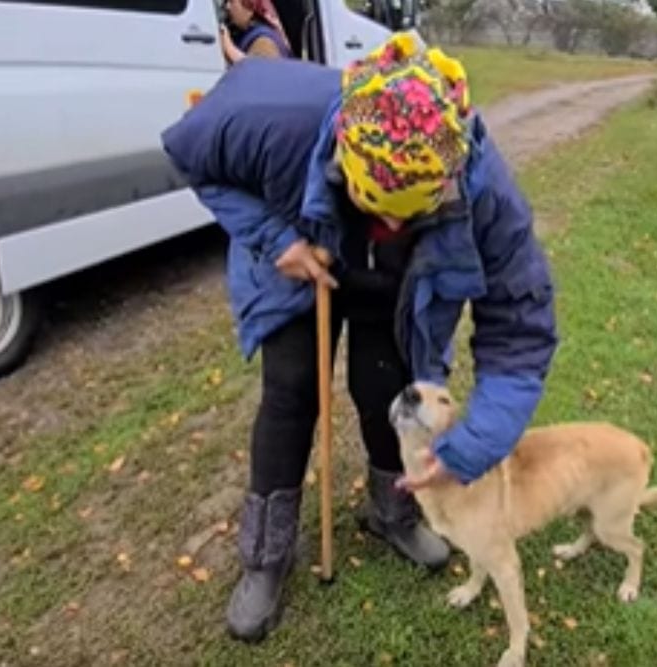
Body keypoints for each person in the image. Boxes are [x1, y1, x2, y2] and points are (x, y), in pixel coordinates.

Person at [160, 33, 557, 642]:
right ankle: (266, 555)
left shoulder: (485, 191)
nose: (391, 223)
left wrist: (472, 447)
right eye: (378, 204)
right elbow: (188, 154)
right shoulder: (271, 116)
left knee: (384, 387)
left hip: (395, 281)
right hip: (301, 253)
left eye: (410, 211)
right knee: (292, 390)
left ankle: (391, 510)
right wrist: (275, 239)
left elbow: (520, 332)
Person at [220, 0, 293, 63]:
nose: (227, 7)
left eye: (231, 1)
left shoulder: (264, 41)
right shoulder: (248, 32)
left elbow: (263, 71)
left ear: (249, 5)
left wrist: (229, 49)